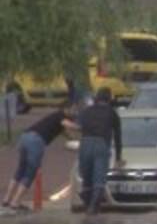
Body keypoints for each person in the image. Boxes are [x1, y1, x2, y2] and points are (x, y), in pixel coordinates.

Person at [2, 104, 78, 212]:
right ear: (66, 109)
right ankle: (15, 202)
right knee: (29, 173)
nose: (74, 113)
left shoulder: (54, 118)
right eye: (73, 110)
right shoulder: (60, 115)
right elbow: (68, 125)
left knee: (20, 170)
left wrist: (74, 138)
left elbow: (66, 133)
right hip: (36, 142)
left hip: (25, 137)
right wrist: (82, 127)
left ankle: (6, 200)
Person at [78, 87, 124, 215]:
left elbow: (79, 128)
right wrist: (119, 157)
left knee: (86, 178)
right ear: (109, 99)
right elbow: (118, 136)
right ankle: (93, 207)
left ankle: (89, 204)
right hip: (101, 144)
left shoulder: (86, 111)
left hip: (85, 143)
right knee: (99, 178)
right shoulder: (112, 113)